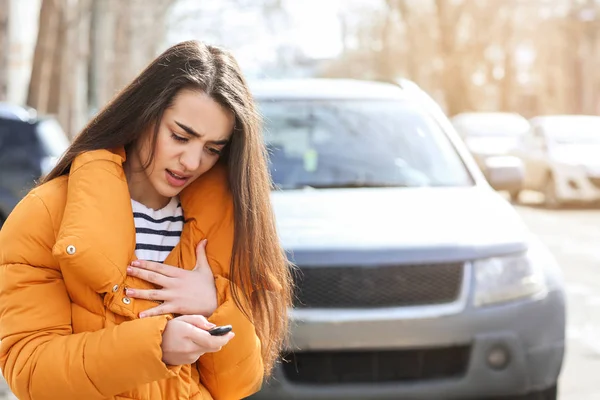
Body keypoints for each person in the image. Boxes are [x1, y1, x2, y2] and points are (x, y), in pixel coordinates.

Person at [0, 40, 293, 400]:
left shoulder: (223, 227)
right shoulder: (48, 213)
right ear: (144, 115)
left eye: (212, 149)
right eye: (180, 136)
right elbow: (30, 372)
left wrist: (216, 304)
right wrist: (156, 347)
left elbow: (237, 384)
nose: (191, 161)